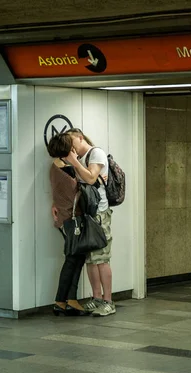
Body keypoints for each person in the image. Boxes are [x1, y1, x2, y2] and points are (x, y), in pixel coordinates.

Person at [64, 128, 116, 317]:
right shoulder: (81, 159)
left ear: (80, 138)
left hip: (100, 213)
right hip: (87, 214)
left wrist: (74, 162)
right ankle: (96, 297)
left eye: (73, 143)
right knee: (91, 259)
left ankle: (108, 301)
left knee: (101, 258)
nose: (72, 148)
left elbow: (91, 177)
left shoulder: (96, 153)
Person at [47, 133, 90, 316]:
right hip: (73, 220)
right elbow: (80, 188)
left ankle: (65, 300)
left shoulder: (54, 167)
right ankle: (65, 300)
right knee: (74, 259)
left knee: (74, 258)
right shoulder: (68, 169)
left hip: (64, 219)